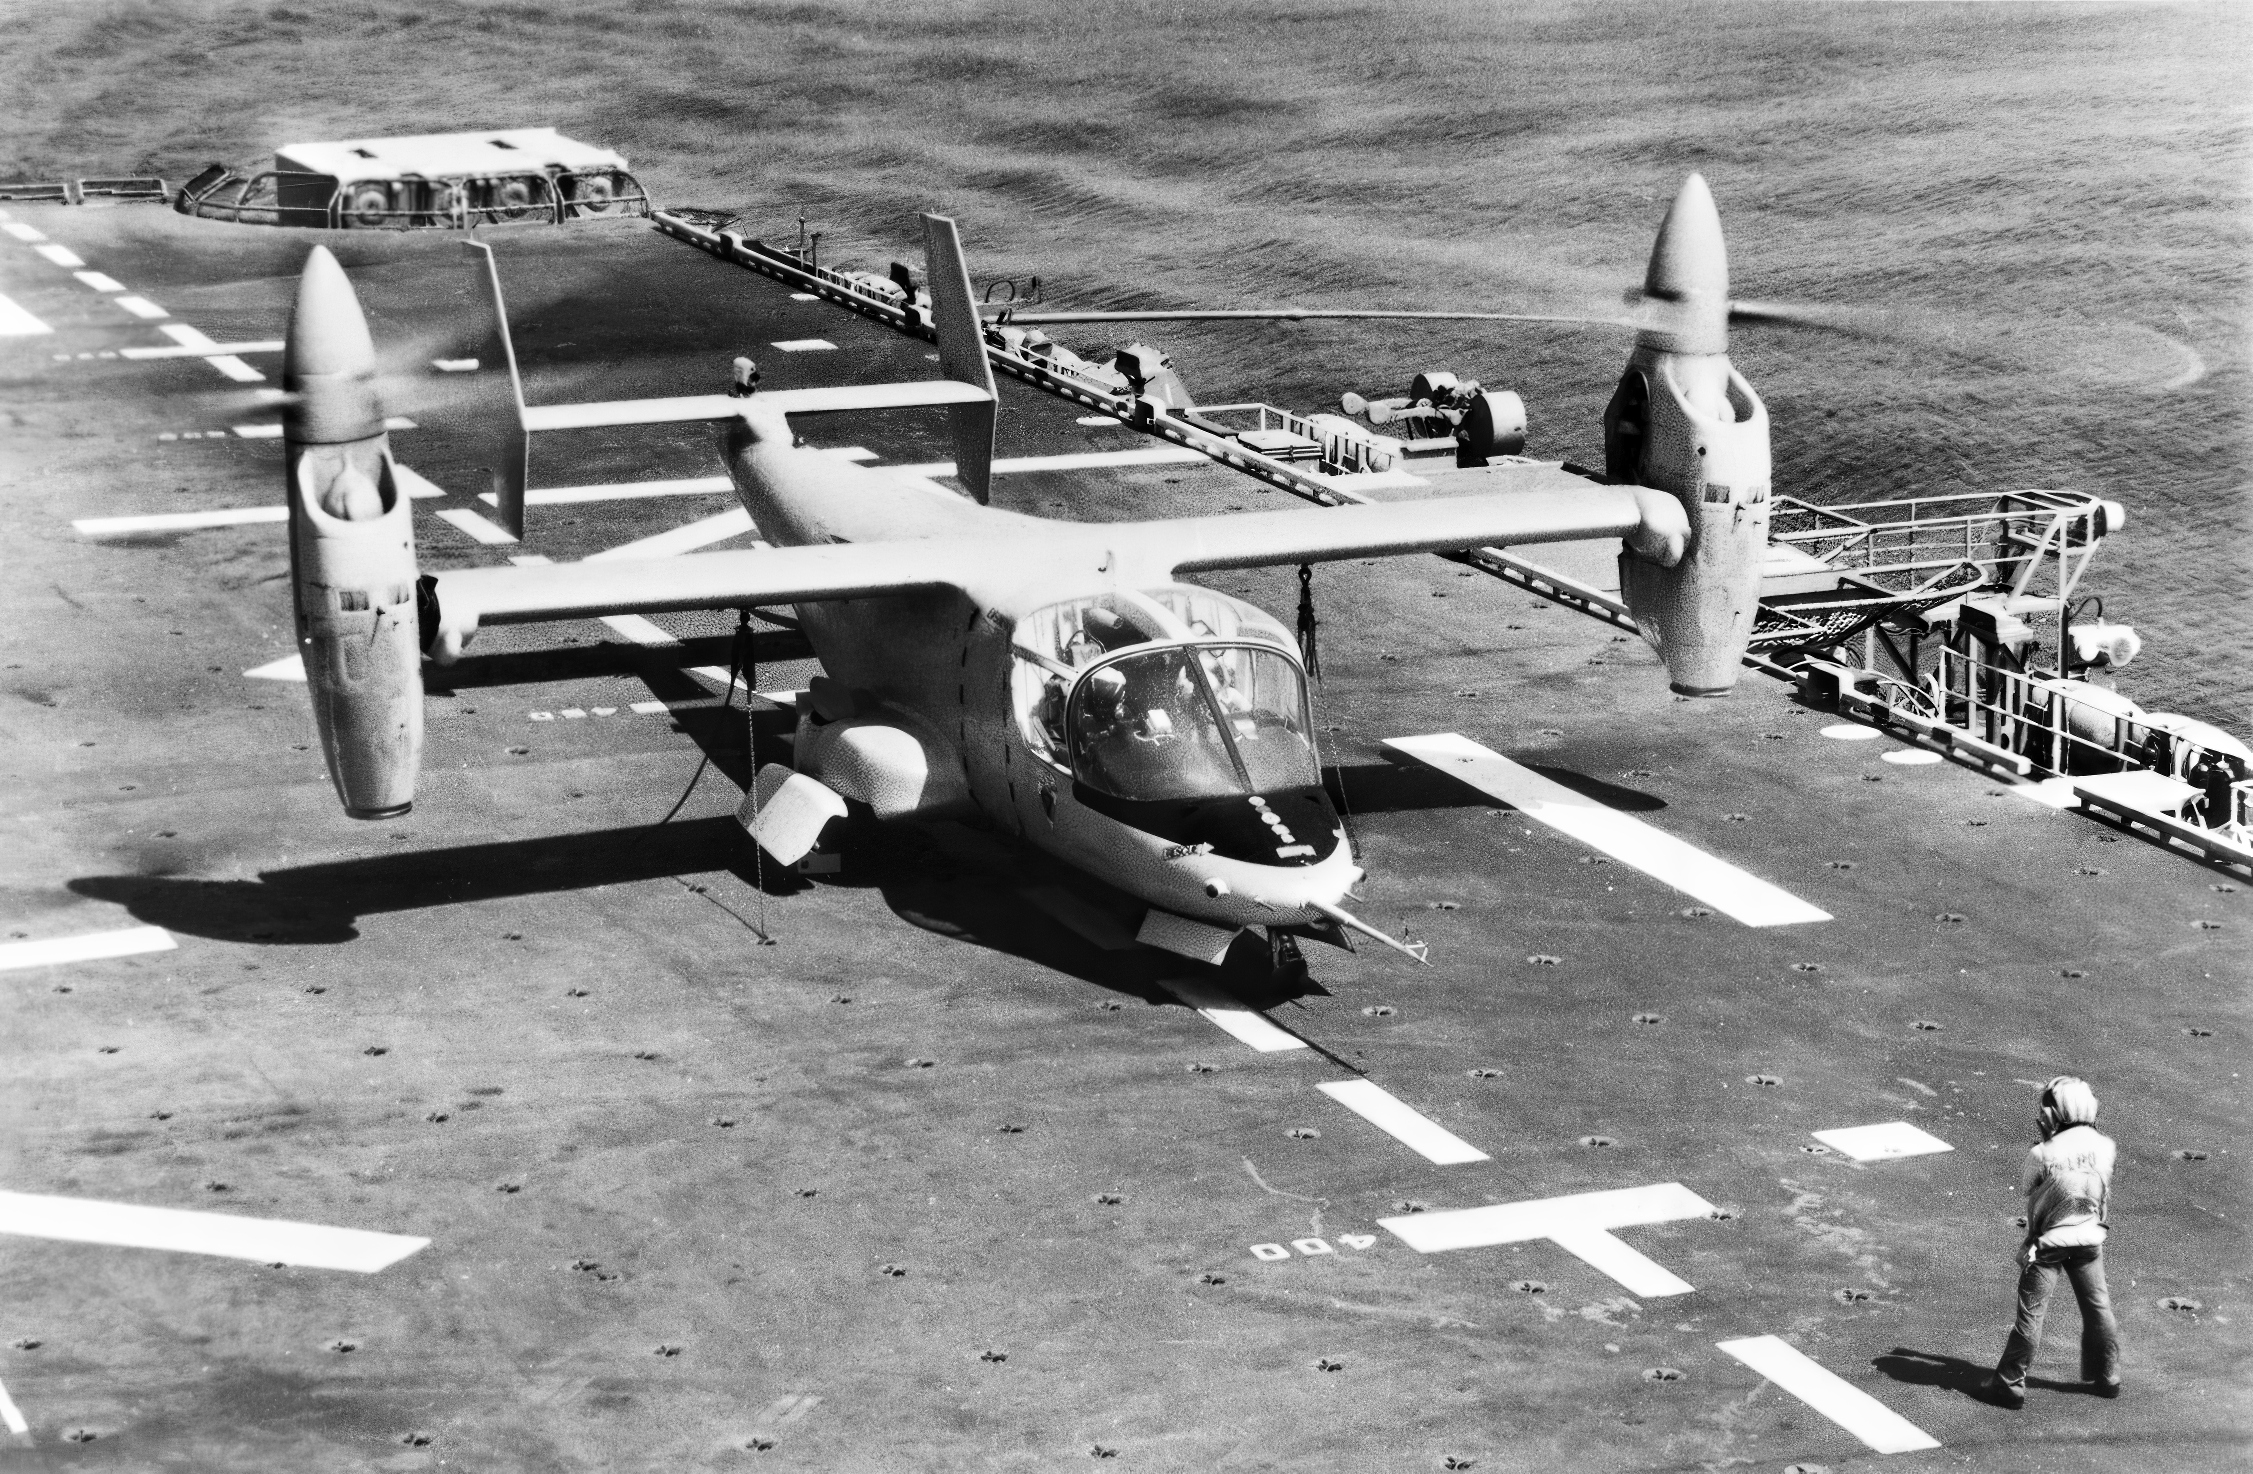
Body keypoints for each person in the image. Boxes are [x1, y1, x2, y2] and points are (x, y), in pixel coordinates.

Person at [1988, 1075, 2121, 1407]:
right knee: (2098, 1308)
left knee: (2031, 1315)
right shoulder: (2105, 1146)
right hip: (2090, 1238)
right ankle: (2108, 1377)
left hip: (2049, 1244)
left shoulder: (2043, 1151)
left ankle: (2010, 1383)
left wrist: (2048, 1142)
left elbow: (2027, 1187)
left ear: (2058, 1111)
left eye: (2046, 1106)